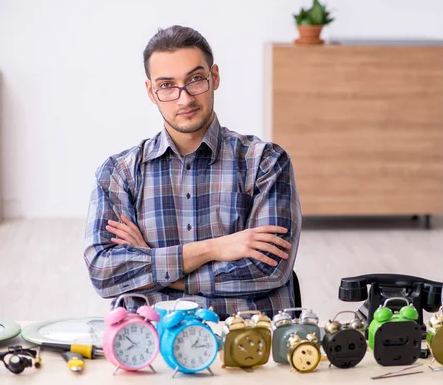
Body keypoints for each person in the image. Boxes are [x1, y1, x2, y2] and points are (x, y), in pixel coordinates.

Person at [84, 25, 301, 319]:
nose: (184, 99)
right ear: (151, 92)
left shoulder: (266, 162)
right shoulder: (119, 173)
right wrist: (215, 248)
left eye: (196, 79)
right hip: (151, 342)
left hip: (248, 341)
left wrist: (154, 262)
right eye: (167, 86)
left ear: (215, 77)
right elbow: (104, 272)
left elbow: (270, 268)